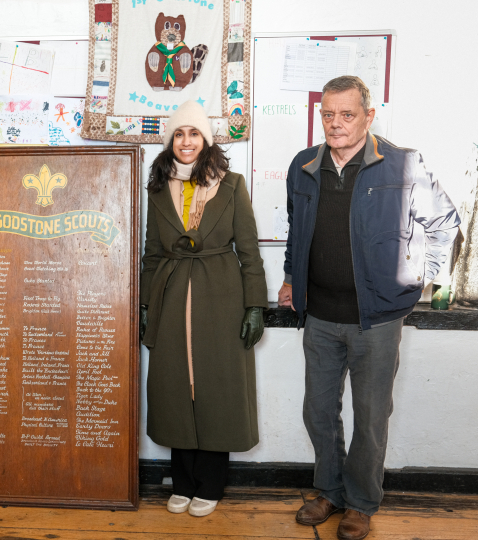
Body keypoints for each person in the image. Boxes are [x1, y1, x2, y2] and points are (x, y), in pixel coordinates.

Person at [278, 76, 460, 540]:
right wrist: (290, 277)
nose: (335, 124)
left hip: (376, 319)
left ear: (369, 116)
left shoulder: (401, 164)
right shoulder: (303, 166)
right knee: (318, 412)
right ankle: (330, 491)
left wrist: (424, 277)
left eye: (347, 114)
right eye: (327, 114)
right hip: (318, 314)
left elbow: (444, 223)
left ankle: (360, 502)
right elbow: (297, 231)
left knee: (371, 414)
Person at [140, 101, 267, 517]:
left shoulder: (232, 185)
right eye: (179, 134)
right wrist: (145, 305)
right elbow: (151, 255)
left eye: (193, 133)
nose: (186, 141)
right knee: (177, 386)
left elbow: (248, 251)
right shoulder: (158, 189)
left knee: (215, 387)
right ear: (170, 142)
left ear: (206, 140)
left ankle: (210, 484)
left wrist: (254, 306)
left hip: (221, 296)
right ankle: (182, 481)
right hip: (172, 295)